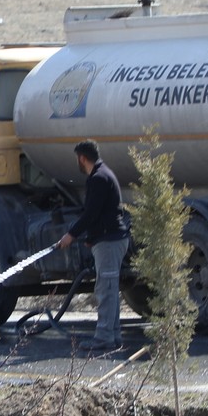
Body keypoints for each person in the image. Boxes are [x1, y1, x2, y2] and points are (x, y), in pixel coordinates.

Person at [55, 140, 127, 353]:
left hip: (110, 241)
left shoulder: (97, 178)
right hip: (110, 238)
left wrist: (71, 235)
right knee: (110, 288)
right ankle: (113, 336)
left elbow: (91, 213)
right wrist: (91, 237)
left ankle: (104, 337)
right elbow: (102, 212)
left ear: (82, 158)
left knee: (105, 289)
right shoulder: (105, 174)